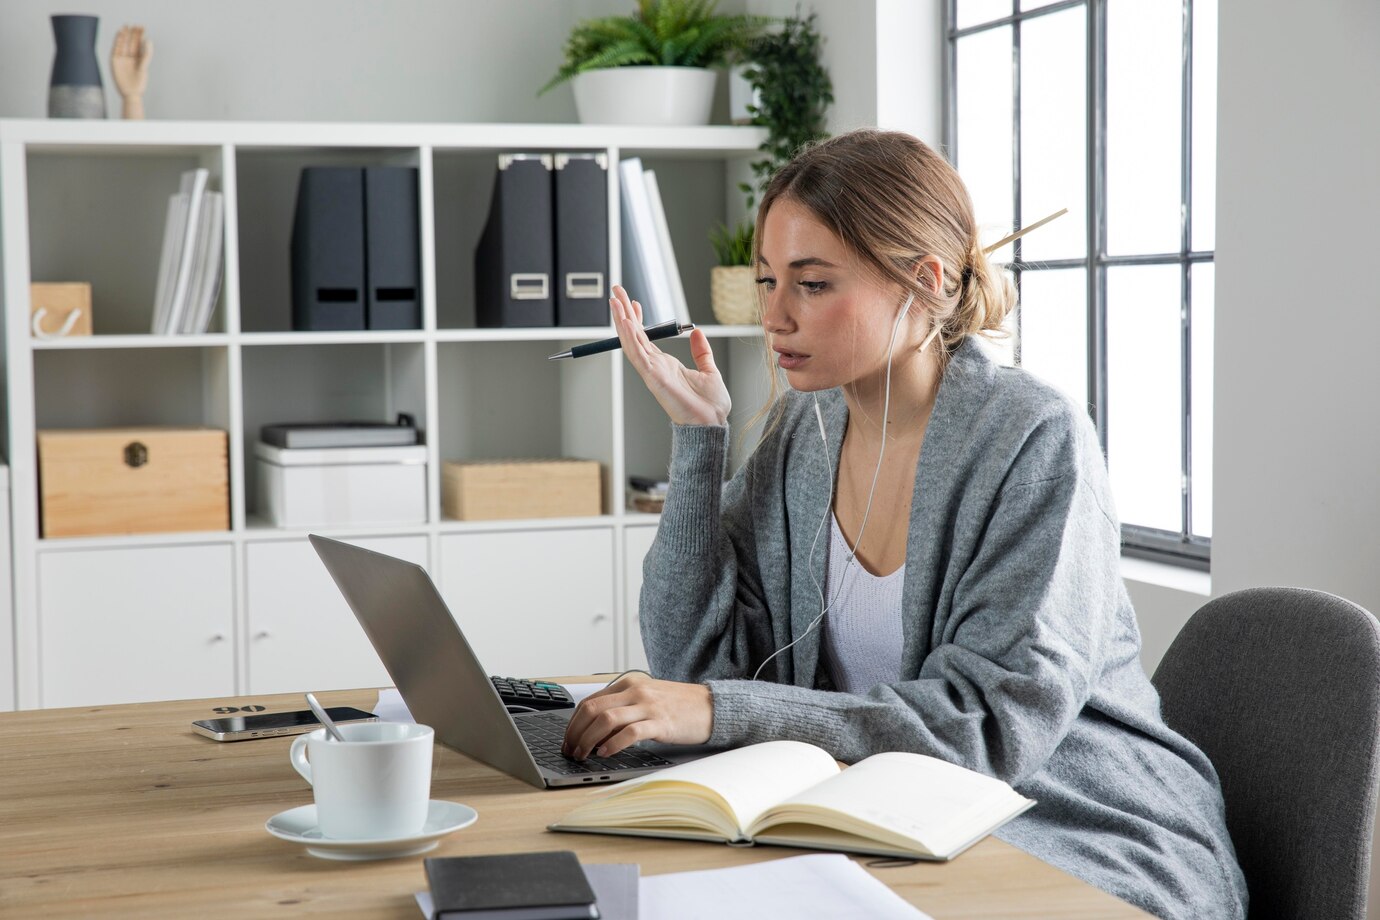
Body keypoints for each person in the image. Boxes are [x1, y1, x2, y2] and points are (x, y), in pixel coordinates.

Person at [560, 129, 1247, 920]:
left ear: (924, 284)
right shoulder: (801, 434)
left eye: (813, 285)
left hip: (1073, 830)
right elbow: (695, 663)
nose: (776, 316)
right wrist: (698, 443)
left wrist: (719, 710)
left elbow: (991, 734)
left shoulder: (1033, 438)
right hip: (883, 824)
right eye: (768, 281)